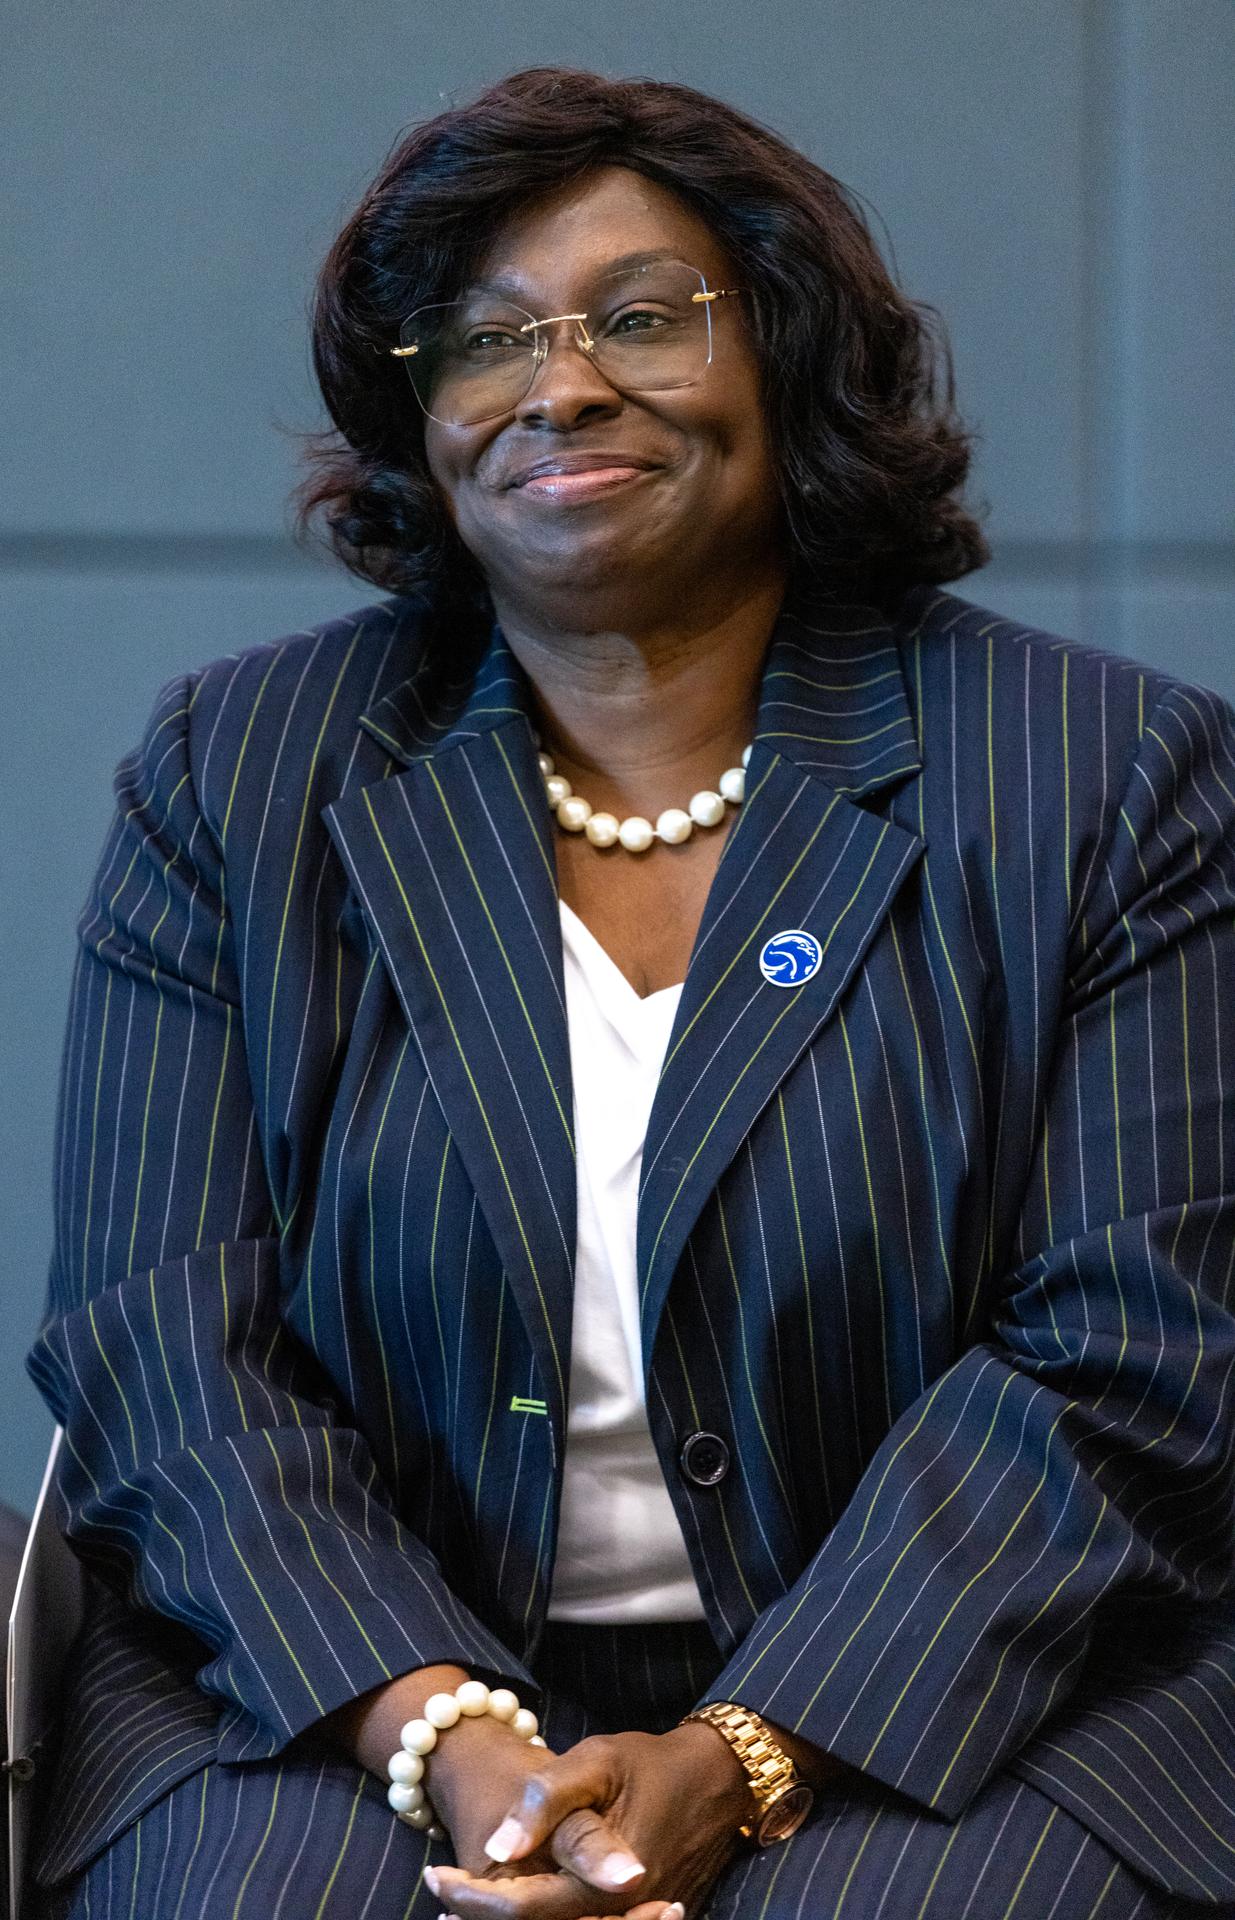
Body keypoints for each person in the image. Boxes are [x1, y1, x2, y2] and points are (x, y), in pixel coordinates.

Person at [25, 64, 1235, 1920]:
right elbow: (161, 1338)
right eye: (483, 339)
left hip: (972, 1684)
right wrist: (449, 1736)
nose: (561, 386)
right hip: (341, 1678)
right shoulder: (239, 774)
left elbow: (1131, 1359)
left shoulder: (1105, 778)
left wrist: (748, 1755)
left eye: (644, 319)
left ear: (788, 353)